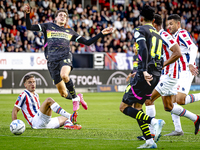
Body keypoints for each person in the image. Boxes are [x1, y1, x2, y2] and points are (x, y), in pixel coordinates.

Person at [23, 4, 113, 112]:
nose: (62, 17)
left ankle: (75, 98)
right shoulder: (47, 26)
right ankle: (78, 97)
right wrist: (27, 14)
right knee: (63, 93)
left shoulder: (70, 32)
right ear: (55, 18)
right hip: (51, 61)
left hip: (65, 57)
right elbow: (29, 27)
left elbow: (87, 42)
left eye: (64, 16)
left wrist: (101, 34)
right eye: (60, 15)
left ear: (66, 19)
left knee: (64, 75)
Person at [137, 14, 200, 140]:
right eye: (168, 24)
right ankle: (189, 122)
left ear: (178, 24)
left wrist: (190, 64)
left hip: (178, 73)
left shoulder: (177, 34)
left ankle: (151, 134)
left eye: (171, 24)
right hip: (171, 73)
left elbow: (191, 48)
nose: (169, 26)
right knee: (169, 106)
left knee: (150, 99)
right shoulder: (166, 36)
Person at [119, 5, 165, 149]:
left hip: (145, 74)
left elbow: (143, 49)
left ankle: (153, 121)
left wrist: (143, 70)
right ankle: (150, 141)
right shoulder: (157, 34)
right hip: (156, 75)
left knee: (124, 107)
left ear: (141, 18)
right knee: (138, 107)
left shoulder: (140, 30)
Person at [12, 75, 81, 130]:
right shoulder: (23, 94)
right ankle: (70, 116)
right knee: (49, 100)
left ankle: (68, 125)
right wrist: (15, 124)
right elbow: (15, 109)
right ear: (25, 85)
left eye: (34, 82)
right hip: (35, 122)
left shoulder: (36, 95)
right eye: (30, 82)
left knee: (66, 118)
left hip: (45, 123)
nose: (32, 84)